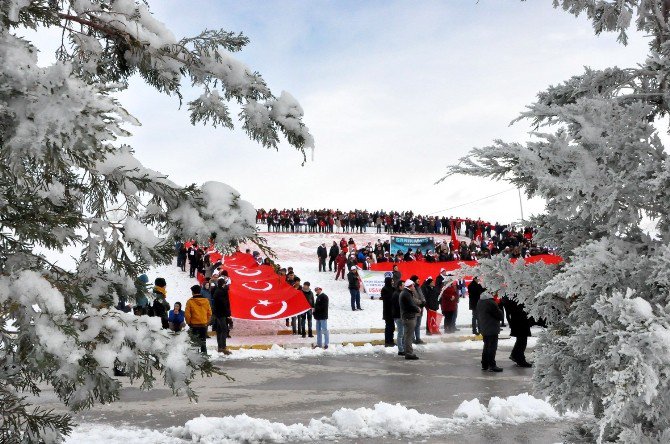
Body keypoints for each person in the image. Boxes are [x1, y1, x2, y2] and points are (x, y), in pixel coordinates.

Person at [476, 290, 504, 372]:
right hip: (492, 328)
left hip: (484, 327)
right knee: (492, 347)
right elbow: (499, 316)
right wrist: (500, 310)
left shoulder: (480, 301)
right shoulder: (491, 303)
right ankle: (492, 365)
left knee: (486, 346)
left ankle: (484, 364)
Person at [502, 295, 533, 367]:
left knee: (520, 340)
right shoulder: (514, 298)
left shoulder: (510, 297)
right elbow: (518, 309)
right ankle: (520, 360)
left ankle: (515, 355)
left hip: (517, 321)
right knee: (522, 341)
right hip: (520, 321)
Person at [185, 284, 212, 355]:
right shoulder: (206, 301)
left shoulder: (190, 301)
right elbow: (209, 313)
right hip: (203, 325)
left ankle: (195, 360)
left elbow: (187, 315)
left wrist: (189, 323)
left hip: (194, 325)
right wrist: (206, 322)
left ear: (193, 292)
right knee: (203, 343)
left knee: (194, 344)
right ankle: (205, 359)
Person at [400, 279, 421, 360]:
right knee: (409, 336)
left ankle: (408, 352)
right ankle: (409, 353)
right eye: (413, 285)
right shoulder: (406, 294)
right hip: (408, 317)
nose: (414, 287)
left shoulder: (406, 293)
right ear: (410, 286)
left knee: (408, 335)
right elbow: (411, 305)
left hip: (407, 316)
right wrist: (417, 309)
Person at [212, 277, 232, 354]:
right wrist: (228, 314)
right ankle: (223, 347)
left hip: (218, 314)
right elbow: (224, 304)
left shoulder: (217, 291)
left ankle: (220, 347)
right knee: (224, 330)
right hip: (221, 314)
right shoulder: (221, 292)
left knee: (219, 330)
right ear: (223, 284)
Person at [409, 275, 425, 344]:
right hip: (415, 309)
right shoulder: (412, 288)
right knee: (413, 325)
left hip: (420, 309)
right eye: (417, 279)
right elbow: (413, 298)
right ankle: (412, 339)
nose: (419, 280)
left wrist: (424, 301)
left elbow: (422, 296)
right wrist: (420, 302)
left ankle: (418, 339)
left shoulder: (419, 287)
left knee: (418, 325)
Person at [380, 276, 395, 346]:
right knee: (388, 327)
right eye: (391, 281)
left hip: (393, 311)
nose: (393, 282)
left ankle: (391, 340)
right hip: (387, 311)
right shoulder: (384, 289)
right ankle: (387, 341)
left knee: (392, 327)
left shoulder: (393, 288)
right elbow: (386, 299)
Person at [392, 280, 405, 355]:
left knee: (402, 333)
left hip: (401, 315)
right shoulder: (397, 294)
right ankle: (400, 349)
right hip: (398, 316)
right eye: (403, 285)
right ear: (400, 286)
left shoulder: (400, 293)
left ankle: (403, 347)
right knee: (400, 333)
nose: (404, 286)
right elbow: (398, 306)